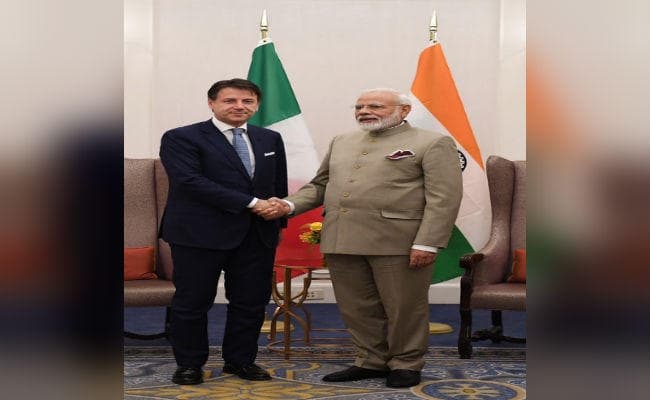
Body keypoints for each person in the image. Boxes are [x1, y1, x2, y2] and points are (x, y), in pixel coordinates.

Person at [261, 88, 462, 388]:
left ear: (404, 110)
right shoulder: (342, 141)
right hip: (343, 238)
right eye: (359, 107)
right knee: (356, 308)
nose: (364, 111)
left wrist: (427, 242)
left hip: (399, 242)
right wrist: (287, 205)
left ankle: (406, 363)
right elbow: (320, 186)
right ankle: (370, 361)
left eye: (375, 106)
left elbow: (444, 198)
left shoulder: (432, 142)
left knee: (404, 308)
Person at [159, 78, 288, 385]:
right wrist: (252, 203)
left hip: (257, 235)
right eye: (230, 100)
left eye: (248, 101)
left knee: (250, 302)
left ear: (256, 105)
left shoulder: (270, 138)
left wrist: (278, 218)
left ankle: (241, 361)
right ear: (212, 103)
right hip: (198, 235)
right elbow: (190, 182)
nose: (239, 106)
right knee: (192, 303)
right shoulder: (181, 137)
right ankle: (190, 364)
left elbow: (277, 184)